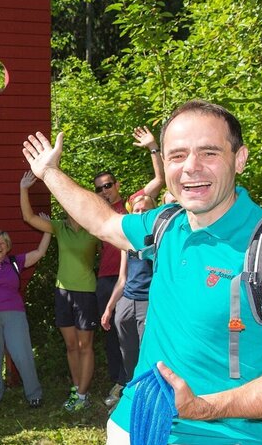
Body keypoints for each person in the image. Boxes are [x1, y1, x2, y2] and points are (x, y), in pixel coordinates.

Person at [21, 100, 262, 444]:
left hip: (225, 435)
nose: (191, 168)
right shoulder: (165, 224)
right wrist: (50, 173)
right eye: (177, 155)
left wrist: (202, 407)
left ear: (240, 159)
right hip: (135, 423)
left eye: (209, 153)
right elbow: (103, 222)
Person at [93, 126, 165, 407]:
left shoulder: (134, 206)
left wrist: (152, 147)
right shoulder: (96, 211)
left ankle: (141, 384)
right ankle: (121, 382)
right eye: (99, 188)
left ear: (117, 186)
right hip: (110, 279)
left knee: (142, 334)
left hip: (137, 280)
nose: (104, 191)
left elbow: (159, 180)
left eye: (108, 186)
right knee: (114, 335)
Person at [19, 171, 100, 412]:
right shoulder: (59, 227)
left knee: (86, 346)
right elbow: (28, 217)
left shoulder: (92, 228)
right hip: (62, 292)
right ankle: (77, 389)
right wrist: (24, 188)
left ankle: (83, 395)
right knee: (71, 346)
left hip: (86, 292)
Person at [0, 224, 51, 408]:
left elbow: (39, 252)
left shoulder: (16, 261)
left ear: (8, 246)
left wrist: (48, 229)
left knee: (22, 353)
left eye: (3, 243)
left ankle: (34, 394)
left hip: (14, 314)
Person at [100, 194, 156, 400]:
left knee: (147, 350)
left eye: (145, 210)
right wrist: (109, 308)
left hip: (147, 301)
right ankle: (133, 390)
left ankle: (149, 393)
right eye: (137, 210)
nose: (140, 213)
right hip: (127, 300)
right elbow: (122, 278)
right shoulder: (127, 241)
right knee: (128, 350)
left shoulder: (158, 239)